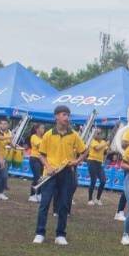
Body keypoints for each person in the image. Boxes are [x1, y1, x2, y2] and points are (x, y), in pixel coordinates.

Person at [32, 105, 85, 245]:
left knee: (63, 205)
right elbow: (41, 155)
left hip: (67, 173)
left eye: (68, 115)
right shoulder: (48, 134)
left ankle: (60, 235)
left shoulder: (74, 135)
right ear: (56, 116)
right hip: (51, 174)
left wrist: (77, 161)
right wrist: (48, 167)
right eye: (63, 114)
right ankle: (39, 233)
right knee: (44, 204)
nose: (66, 117)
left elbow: (85, 151)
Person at [85, 129, 109, 205]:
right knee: (93, 180)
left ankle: (98, 199)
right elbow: (97, 148)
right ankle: (90, 199)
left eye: (99, 133)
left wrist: (108, 149)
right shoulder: (92, 141)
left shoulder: (103, 142)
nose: (98, 135)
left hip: (99, 163)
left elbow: (105, 152)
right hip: (91, 161)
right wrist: (106, 144)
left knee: (103, 180)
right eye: (97, 133)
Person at [26, 123, 45, 202]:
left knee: (41, 178)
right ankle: (32, 195)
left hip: (41, 160)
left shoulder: (43, 138)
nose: (43, 130)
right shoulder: (34, 137)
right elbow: (39, 145)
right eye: (42, 128)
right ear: (37, 129)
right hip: (34, 159)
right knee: (37, 177)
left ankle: (39, 194)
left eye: (44, 128)